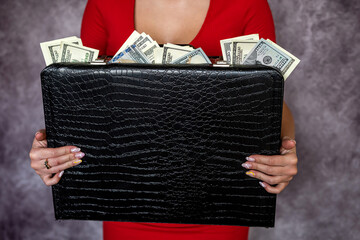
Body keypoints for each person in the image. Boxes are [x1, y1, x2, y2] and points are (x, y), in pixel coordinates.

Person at [30, 0, 298, 239]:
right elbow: (82, 106)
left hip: (219, 206)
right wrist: (52, 150)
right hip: (128, 204)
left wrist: (284, 151)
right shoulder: (104, 3)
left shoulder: (247, 4)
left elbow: (268, 102)